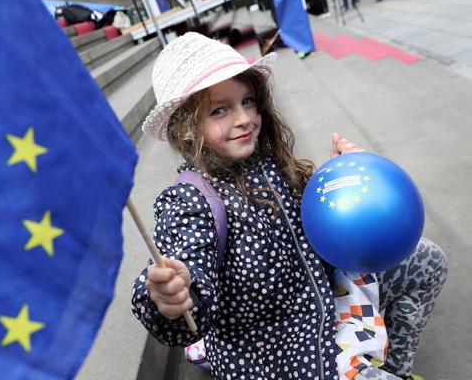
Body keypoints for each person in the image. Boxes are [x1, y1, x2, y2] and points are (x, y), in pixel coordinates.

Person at [131, 32, 447, 380]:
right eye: (220, 109)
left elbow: (316, 223)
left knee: (428, 260)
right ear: (185, 129)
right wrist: (170, 298)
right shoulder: (189, 202)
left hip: (326, 299)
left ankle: (397, 368)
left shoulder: (267, 162)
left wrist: (342, 180)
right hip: (283, 356)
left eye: (248, 101)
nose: (244, 118)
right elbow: (186, 272)